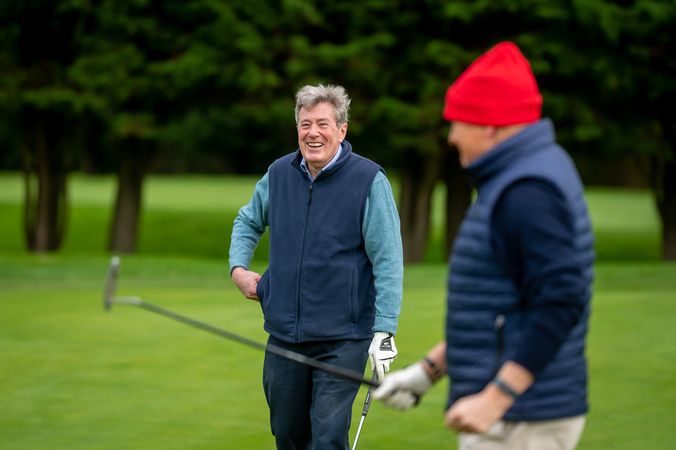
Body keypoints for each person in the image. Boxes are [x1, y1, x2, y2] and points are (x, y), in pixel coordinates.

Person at [373, 41, 595, 450]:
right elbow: (497, 313)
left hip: (521, 420)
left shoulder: (527, 191)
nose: (453, 137)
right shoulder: (521, 175)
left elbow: (562, 300)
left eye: (459, 122)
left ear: (490, 125)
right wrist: (429, 371)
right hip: (515, 413)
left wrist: (497, 398)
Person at [229, 84, 403, 450]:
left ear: (342, 129)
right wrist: (238, 269)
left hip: (343, 337)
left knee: (327, 438)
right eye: (305, 124)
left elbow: (388, 258)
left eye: (323, 124)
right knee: (288, 434)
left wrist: (385, 330)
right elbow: (247, 221)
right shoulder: (278, 174)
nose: (313, 133)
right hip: (284, 334)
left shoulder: (369, 180)